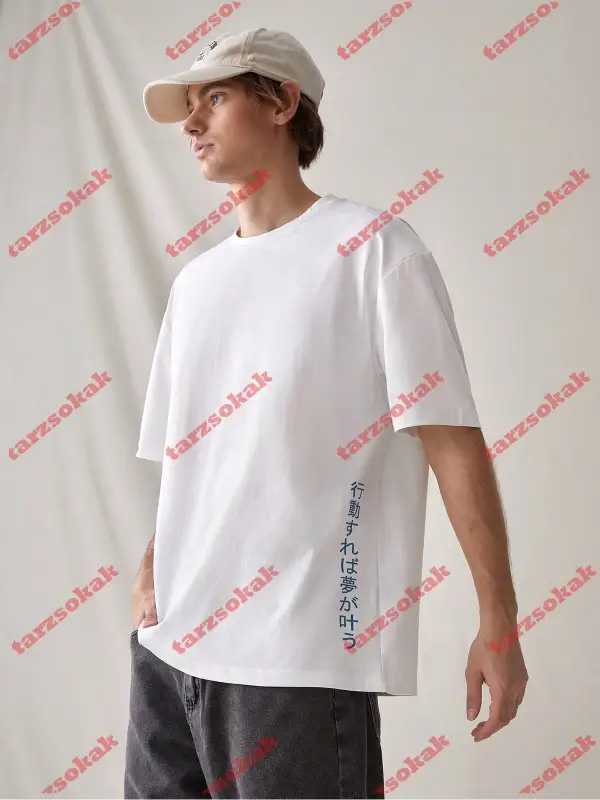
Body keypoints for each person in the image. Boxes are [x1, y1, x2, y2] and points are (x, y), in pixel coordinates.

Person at [125, 27, 529, 800]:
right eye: (189, 106)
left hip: (295, 664)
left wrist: (499, 623)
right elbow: (192, 464)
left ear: (282, 102)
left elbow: (451, 441)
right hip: (168, 658)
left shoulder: (376, 251)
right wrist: (151, 575)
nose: (191, 123)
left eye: (216, 97)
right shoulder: (196, 285)